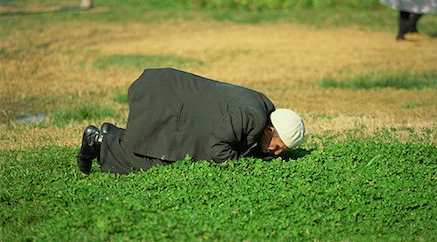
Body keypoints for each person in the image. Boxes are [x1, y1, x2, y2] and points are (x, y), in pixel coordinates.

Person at [77, 68, 305, 174]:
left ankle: (110, 133)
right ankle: (99, 143)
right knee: (160, 163)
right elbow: (217, 148)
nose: (276, 153)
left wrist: (258, 157)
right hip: (163, 94)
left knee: (155, 147)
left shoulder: (262, 111)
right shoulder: (251, 114)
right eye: (278, 147)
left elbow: (240, 140)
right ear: (270, 128)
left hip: (173, 94)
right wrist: (246, 167)